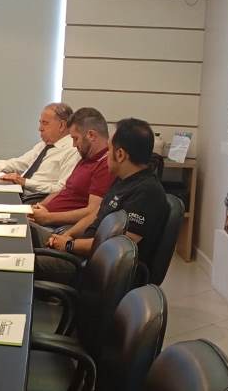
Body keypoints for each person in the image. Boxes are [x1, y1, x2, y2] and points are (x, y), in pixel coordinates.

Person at [40, 118, 170, 283]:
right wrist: (66, 235)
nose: (106, 154)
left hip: (93, 268)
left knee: (27, 263)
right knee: (29, 234)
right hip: (81, 252)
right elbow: (96, 214)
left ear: (120, 155)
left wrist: (69, 245)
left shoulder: (147, 193)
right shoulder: (123, 179)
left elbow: (117, 246)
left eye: (109, 149)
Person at [28, 107, 114, 230]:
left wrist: (48, 217)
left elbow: (93, 211)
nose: (73, 145)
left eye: (75, 138)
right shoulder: (86, 158)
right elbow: (64, 189)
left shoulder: (105, 164)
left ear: (91, 135)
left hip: (57, 227)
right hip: (45, 218)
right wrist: (40, 206)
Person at [0, 103, 80, 196]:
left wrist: (25, 182)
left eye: (45, 123)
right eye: (40, 123)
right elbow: (18, 163)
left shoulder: (73, 150)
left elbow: (61, 189)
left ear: (61, 125)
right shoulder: (43, 145)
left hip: (38, 199)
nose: (40, 128)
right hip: (20, 193)